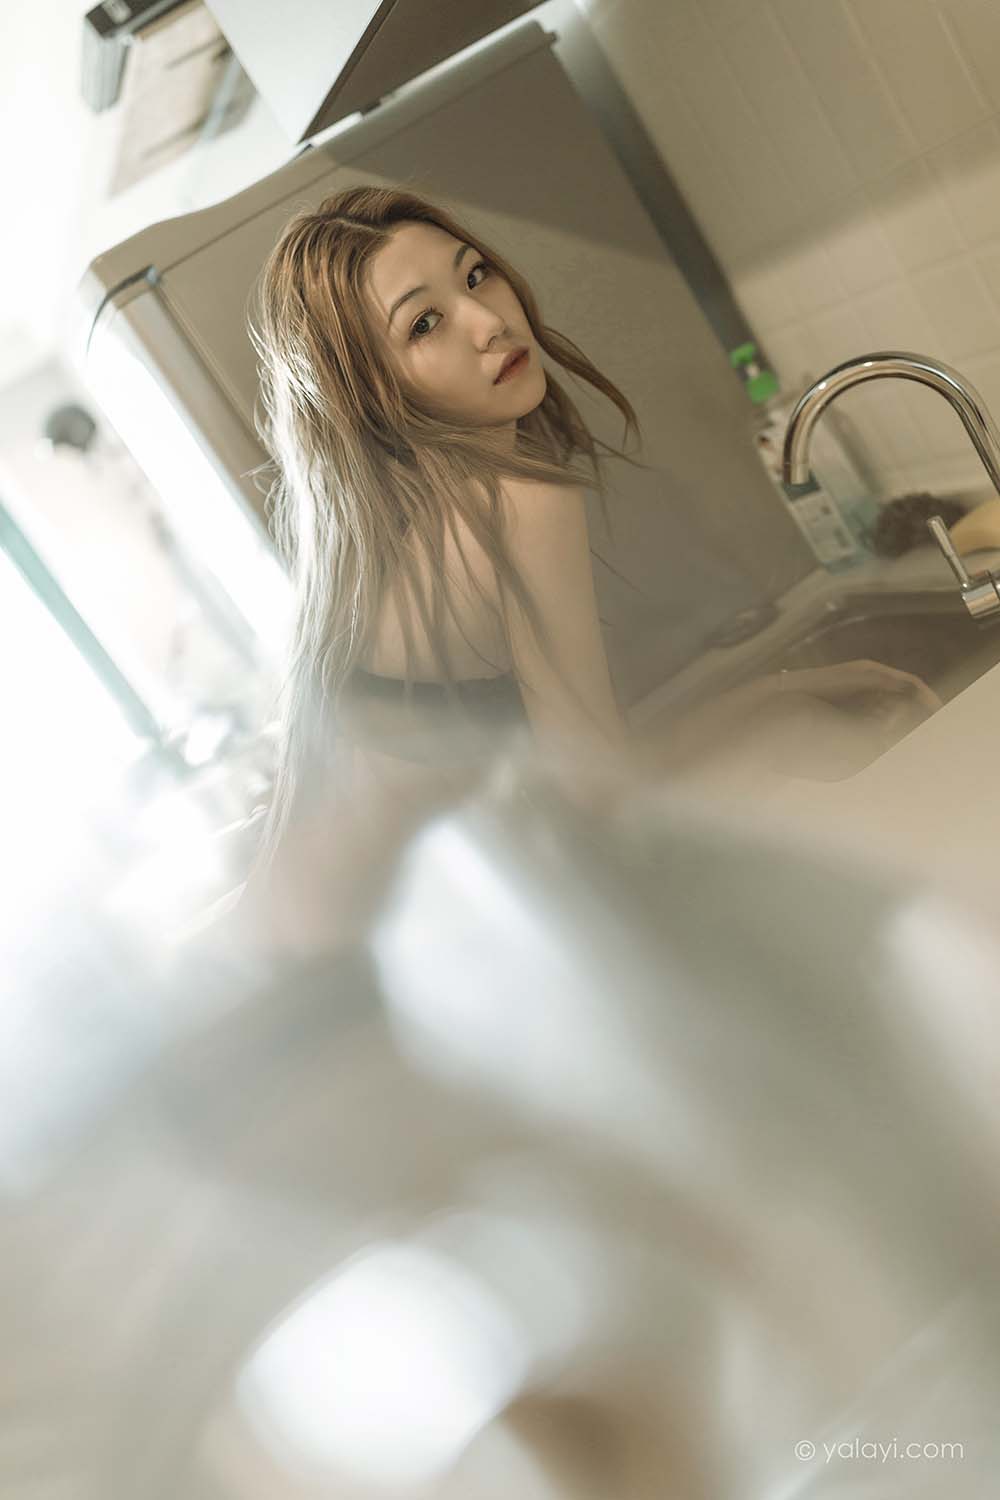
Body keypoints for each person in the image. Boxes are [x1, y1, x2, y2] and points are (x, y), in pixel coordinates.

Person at [246, 184, 940, 886]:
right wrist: (781, 713)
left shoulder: (377, 541)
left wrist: (775, 692)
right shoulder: (513, 502)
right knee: (815, 744)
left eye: (475, 275)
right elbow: (603, 797)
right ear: (371, 394)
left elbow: (588, 770)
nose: (488, 321)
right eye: (424, 323)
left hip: (398, 924)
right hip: (441, 924)